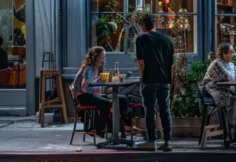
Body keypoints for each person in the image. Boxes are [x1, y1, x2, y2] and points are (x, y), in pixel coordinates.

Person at [70, 47, 133, 136]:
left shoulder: (98, 68)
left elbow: (100, 86)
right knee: (107, 103)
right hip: (83, 96)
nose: (104, 59)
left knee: (123, 100)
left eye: (104, 57)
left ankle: (121, 126)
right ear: (95, 57)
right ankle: (99, 129)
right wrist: (98, 80)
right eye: (102, 57)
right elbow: (85, 88)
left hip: (92, 95)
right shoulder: (89, 69)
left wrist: (109, 78)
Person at [135, 13, 174, 151]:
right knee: (165, 110)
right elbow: (171, 64)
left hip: (149, 79)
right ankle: (168, 142)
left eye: (141, 25)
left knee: (150, 110)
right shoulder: (166, 40)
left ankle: (151, 142)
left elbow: (141, 62)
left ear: (143, 25)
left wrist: (142, 78)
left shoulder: (141, 38)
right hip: (164, 80)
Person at [199, 43, 236, 138]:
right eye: (231, 52)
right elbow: (230, 78)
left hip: (224, 89)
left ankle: (232, 129)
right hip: (212, 90)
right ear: (224, 54)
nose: (233, 54)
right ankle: (230, 129)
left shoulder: (231, 64)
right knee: (232, 98)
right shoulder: (217, 63)